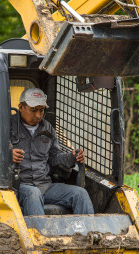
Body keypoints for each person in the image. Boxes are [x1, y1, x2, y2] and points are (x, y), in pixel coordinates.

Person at [11, 88, 94, 216]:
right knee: (33, 193)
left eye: (41, 110)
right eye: (33, 110)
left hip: (45, 186)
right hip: (17, 187)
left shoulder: (47, 128)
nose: (38, 115)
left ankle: (89, 233)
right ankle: (40, 234)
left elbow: (55, 158)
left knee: (80, 194)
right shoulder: (7, 126)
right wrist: (7, 155)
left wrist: (71, 157)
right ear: (21, 107)